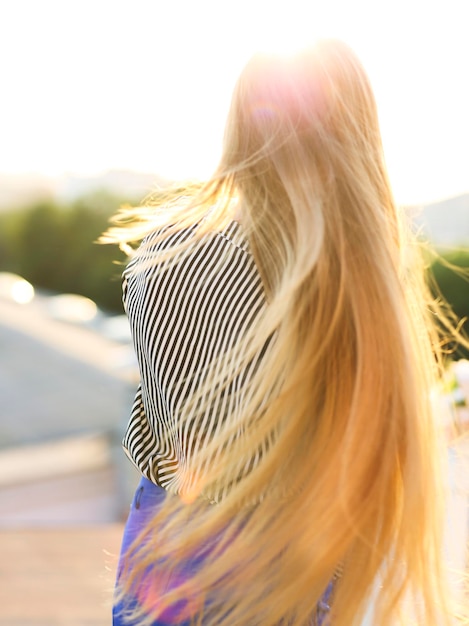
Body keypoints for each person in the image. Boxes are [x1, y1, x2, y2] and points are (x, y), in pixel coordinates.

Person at [103, 39, 462, 625]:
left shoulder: (162, 248)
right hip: (291, 550)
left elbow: (178, 437)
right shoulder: (352, 269)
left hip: (170, 536)